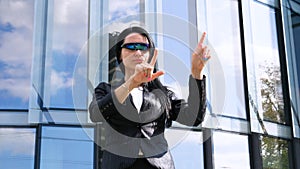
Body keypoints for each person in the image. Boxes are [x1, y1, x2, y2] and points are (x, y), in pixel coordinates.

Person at [89, 26, 211, 169]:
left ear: (150, 54)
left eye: (143, 47)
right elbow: (96, 113)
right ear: (120, 54)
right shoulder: (106, 90)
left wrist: (197, 73)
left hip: (158, 165)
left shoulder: (162, 94)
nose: (138, 52)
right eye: (131, 47)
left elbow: (194, 117)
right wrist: (131, 83)